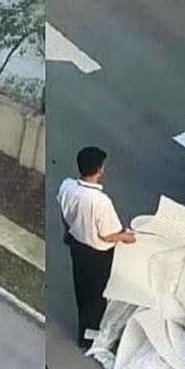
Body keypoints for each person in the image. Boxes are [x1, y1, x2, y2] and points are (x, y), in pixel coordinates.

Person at [58, 147, 136, 347]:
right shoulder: (100, 201)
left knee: (82, 291)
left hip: (78, 247)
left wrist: (68, 231)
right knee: (97, 297)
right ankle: (90, 337)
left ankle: (83, 331)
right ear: (99, 170)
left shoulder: (67, 187)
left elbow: (63, 211)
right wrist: (126, 237)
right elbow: (107, 234)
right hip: (97, 255)